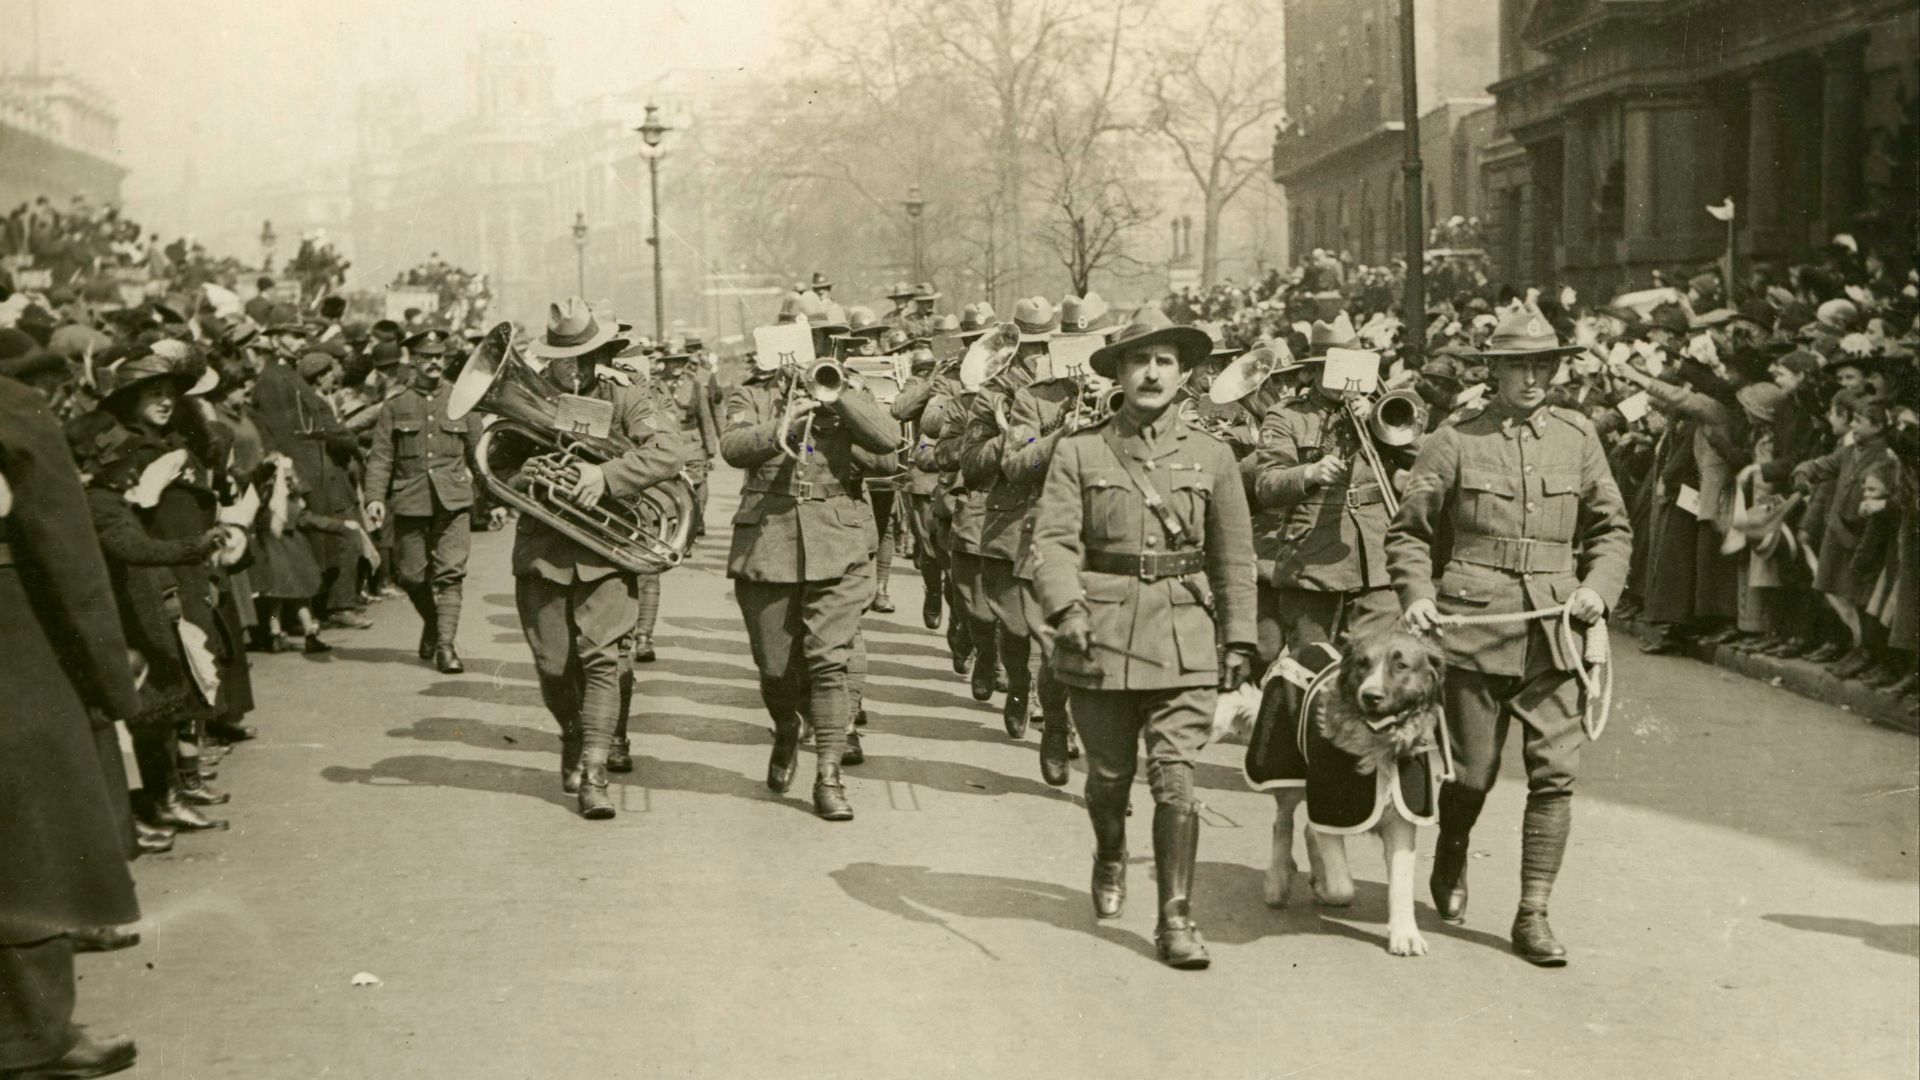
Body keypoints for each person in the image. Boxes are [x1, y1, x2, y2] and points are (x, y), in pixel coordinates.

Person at [1388, 307, 1633, 966]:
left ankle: (1533, 913)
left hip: (1555, 629)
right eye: (1518, 366)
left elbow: (1613, 529)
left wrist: (1597, 591)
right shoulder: (1456, 438)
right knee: (1473, 774)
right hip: (1474, 626)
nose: (1532, 378)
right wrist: (1418, 597)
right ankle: (1453, 849)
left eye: (1543, 365)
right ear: (1493, 371)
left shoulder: (1578, 437)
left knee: (1556, 775)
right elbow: (1410, 532)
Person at [1030, 307, 1258, 970]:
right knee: (1107, 777)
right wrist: (1067, 609)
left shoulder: (1213, 455)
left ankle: (1177, 918)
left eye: (1165, 360)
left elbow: (1234, 555)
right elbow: (1053, 541)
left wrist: (1239, 637)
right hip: (1097, 636)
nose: (1152, 372)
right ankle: (1108, 852)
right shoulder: (1081, 450)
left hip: (1186, 632)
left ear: (1186, 374)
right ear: (1121, 373)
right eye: (1140, 360)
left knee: (1176, 781)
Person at [495, 299, 693, 819]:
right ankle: (574, 734)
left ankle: (596, 769)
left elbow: (671, 452)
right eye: (567, 361)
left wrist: (605, 477)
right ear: (550, 361)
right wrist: (530, 474)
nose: (578, 370)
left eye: (588, 358)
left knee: (603, 659)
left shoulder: (627, 396)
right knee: (554, 666)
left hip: (609, 552)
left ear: (602, 354)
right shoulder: (528, 400)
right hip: (544, 550)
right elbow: (495, 473)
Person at [0, 373, 143, 1078]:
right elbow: (68, 556)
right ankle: (32, 1039)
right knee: (32, 842)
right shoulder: (12, 409)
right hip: (11, 639)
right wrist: (112, 685)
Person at [720, 319, 900, 820]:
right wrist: (784, 422)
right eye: (812, 340)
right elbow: (732, 448)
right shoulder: (753, 394)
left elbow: (888, 443)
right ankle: (784, 729)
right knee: (775, 669)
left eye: (827, 342)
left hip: (837, 542)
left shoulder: (848, 389)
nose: (819, 350)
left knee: (828, 662)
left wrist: (838, 399)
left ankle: (828, 776)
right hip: (768, 544)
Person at [1253, 314, 1419, 653]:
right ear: (1314, 371)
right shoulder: (1287, 415)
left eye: (1352, 365)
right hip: (1313, 562)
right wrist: (1308, 474)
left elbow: (1423, 457)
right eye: (1335, 366)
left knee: (1376, 664)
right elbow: (1267, 484)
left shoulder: (1380, 407)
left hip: (1376, 560)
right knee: (1312, 664)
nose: (1345, 375)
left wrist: (1376, 418)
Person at [363, 329, 484, 673]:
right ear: (414, 360)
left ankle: (446, 646)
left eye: (439, 357)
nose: (434, 363)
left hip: (454, 500)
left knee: (450, 574)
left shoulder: (463, 401)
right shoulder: (395, 405)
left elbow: (479, 452)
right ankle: (433, 623)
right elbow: (382, 456)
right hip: (410, 499)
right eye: (427, 357)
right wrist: (374, 497)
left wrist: (498, 492)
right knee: (411, 576)